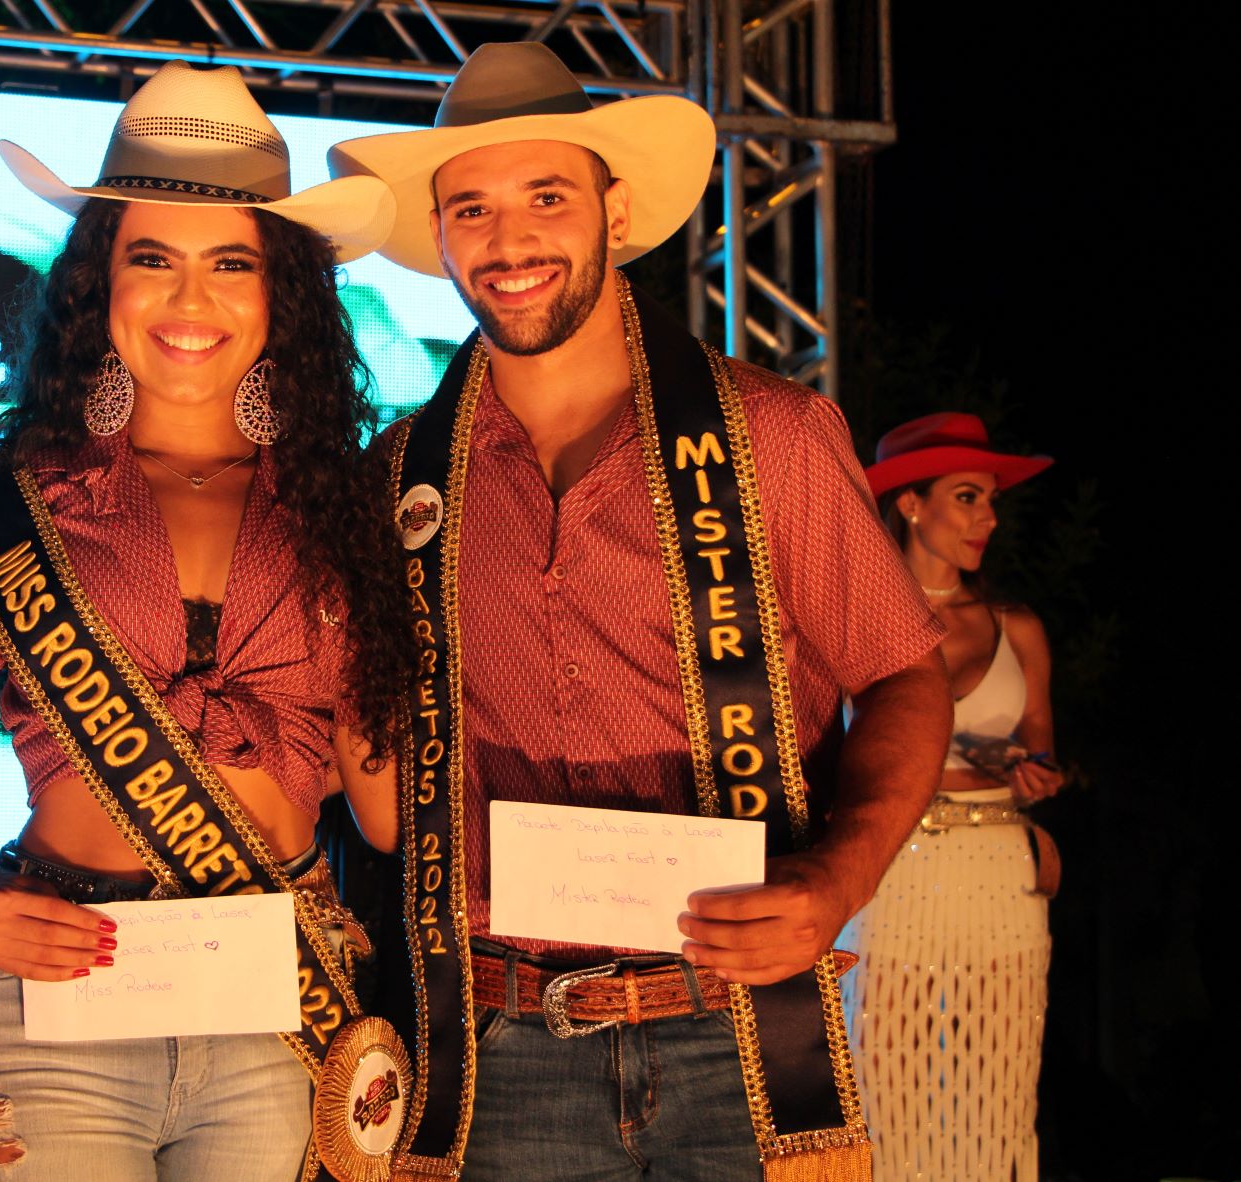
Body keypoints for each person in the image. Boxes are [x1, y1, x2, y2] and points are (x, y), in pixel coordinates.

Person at [328, 42, 953, 1180]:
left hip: (742, 1027)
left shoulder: (773, 437)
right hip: (501, 1040)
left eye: (547, 198)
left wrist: (835, 882)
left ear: (615, 214)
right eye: (472, 207)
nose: (509, 241)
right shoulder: (397, 481)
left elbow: (906, 677)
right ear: (443, 235)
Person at [0, 61, 410, 1181]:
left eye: (232, 264)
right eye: (152, 260)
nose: (191, 300)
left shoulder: (349, 509)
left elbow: (384, 817)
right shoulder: (2, 507)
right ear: (100, 285)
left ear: (283, 299)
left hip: (282, 996)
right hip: (63, 981)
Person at [841, 412, 1063, 1180]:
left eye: (991, 499)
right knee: (877, 1067)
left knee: (994, 1079)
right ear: (909, 503)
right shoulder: (848, 621)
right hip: (886, 862)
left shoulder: (1016, 627)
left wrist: (1033, 768)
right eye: (967, 496)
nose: (988, 517)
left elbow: (1043, 744)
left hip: (995, 868)